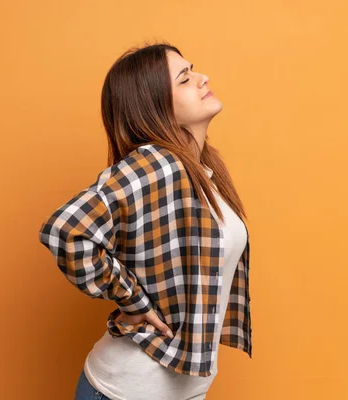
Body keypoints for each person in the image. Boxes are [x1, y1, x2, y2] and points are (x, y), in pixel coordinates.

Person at [38, 42, 253, 400]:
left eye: (192, 70)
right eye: (184, 79)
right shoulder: (157, 164)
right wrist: (133, 301)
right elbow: (67, 229)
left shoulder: (200, 171)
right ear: (154, 106)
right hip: (128, 390)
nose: (202, 79)